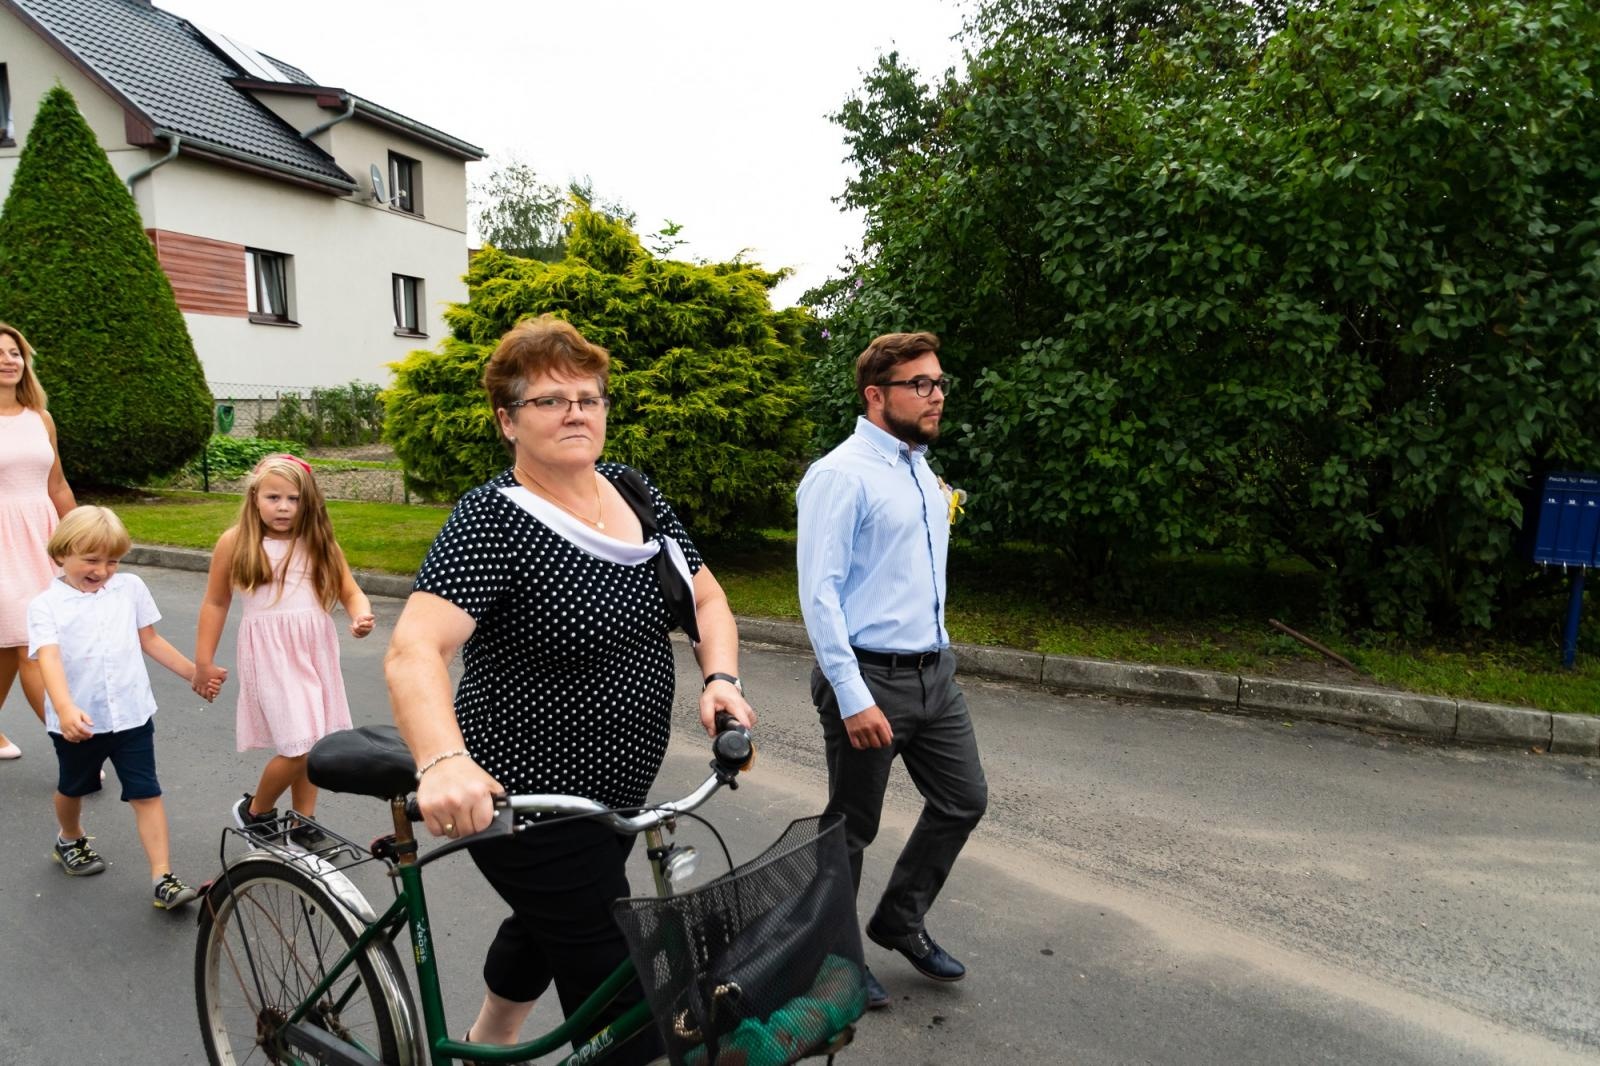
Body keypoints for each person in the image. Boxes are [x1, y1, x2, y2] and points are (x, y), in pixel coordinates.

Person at [385, 314, 756, 1064]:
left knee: (549, 926)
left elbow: (707, 600)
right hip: (525, 805)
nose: (577, 411)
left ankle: (484, 1048)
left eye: (589, 397)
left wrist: (721, 679)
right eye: (551, 400)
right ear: (507, 421)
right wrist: (441, 762)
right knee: (629, 1006)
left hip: (611, 801)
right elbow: (414, 647)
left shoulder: (631, 491)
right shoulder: (495, 519)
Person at [795, 331, 988, 1010]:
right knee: (851, 828)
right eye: (920, 385)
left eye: (939, 382)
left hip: (936, 674)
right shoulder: (840, 475)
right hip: (869, 677)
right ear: (877, 396)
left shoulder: (919, 470)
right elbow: (818, 596)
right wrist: (851, 695)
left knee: (965, 799)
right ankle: (834, 960)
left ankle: (898, 917)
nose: (936, 396)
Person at [27, 506, 208, 908]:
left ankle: (163, 878)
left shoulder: (130, 588)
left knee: (146, 792)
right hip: (80, 721)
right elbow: (50, 659)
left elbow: (151, 639)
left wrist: (193, 673)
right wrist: (66, 707)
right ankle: (69, 838)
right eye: (91, 560)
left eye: (113, 560)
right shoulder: (45, 605)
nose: (104, 570)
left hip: (131, 714)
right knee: (73, 786)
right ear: (60, 555)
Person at [193, 454, 374, 841]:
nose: (284, 507)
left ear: (308, 502)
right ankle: (256, 810)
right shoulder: (236, 542)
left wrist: (360, 615)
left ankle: (302, 822)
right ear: (255, 496)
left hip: (314, 651)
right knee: (299, 744)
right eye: (273, 497)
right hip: (271, 655)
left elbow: (350, 590)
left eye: (294, 499)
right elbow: (215, 602)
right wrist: (203, 662)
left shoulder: (317, 541)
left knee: (317, 741)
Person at [0, 321, 76, 761]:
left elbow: (58, 484)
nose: (8, 360)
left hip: (42, 541)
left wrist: (83, 535)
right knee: (30, 642)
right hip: (2, 546)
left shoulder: (40, 418)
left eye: (13, 352)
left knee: (8, 648)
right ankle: (71, 747)